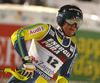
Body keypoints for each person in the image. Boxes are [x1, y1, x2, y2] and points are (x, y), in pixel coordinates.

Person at [8, 4, 83, 83]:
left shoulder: (73, 49)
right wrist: (26, 60)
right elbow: (17, 35)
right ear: (61, 19)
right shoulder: (45, 30)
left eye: (78, 22)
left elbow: (64, 75)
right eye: (70, 20)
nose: (74, 26)